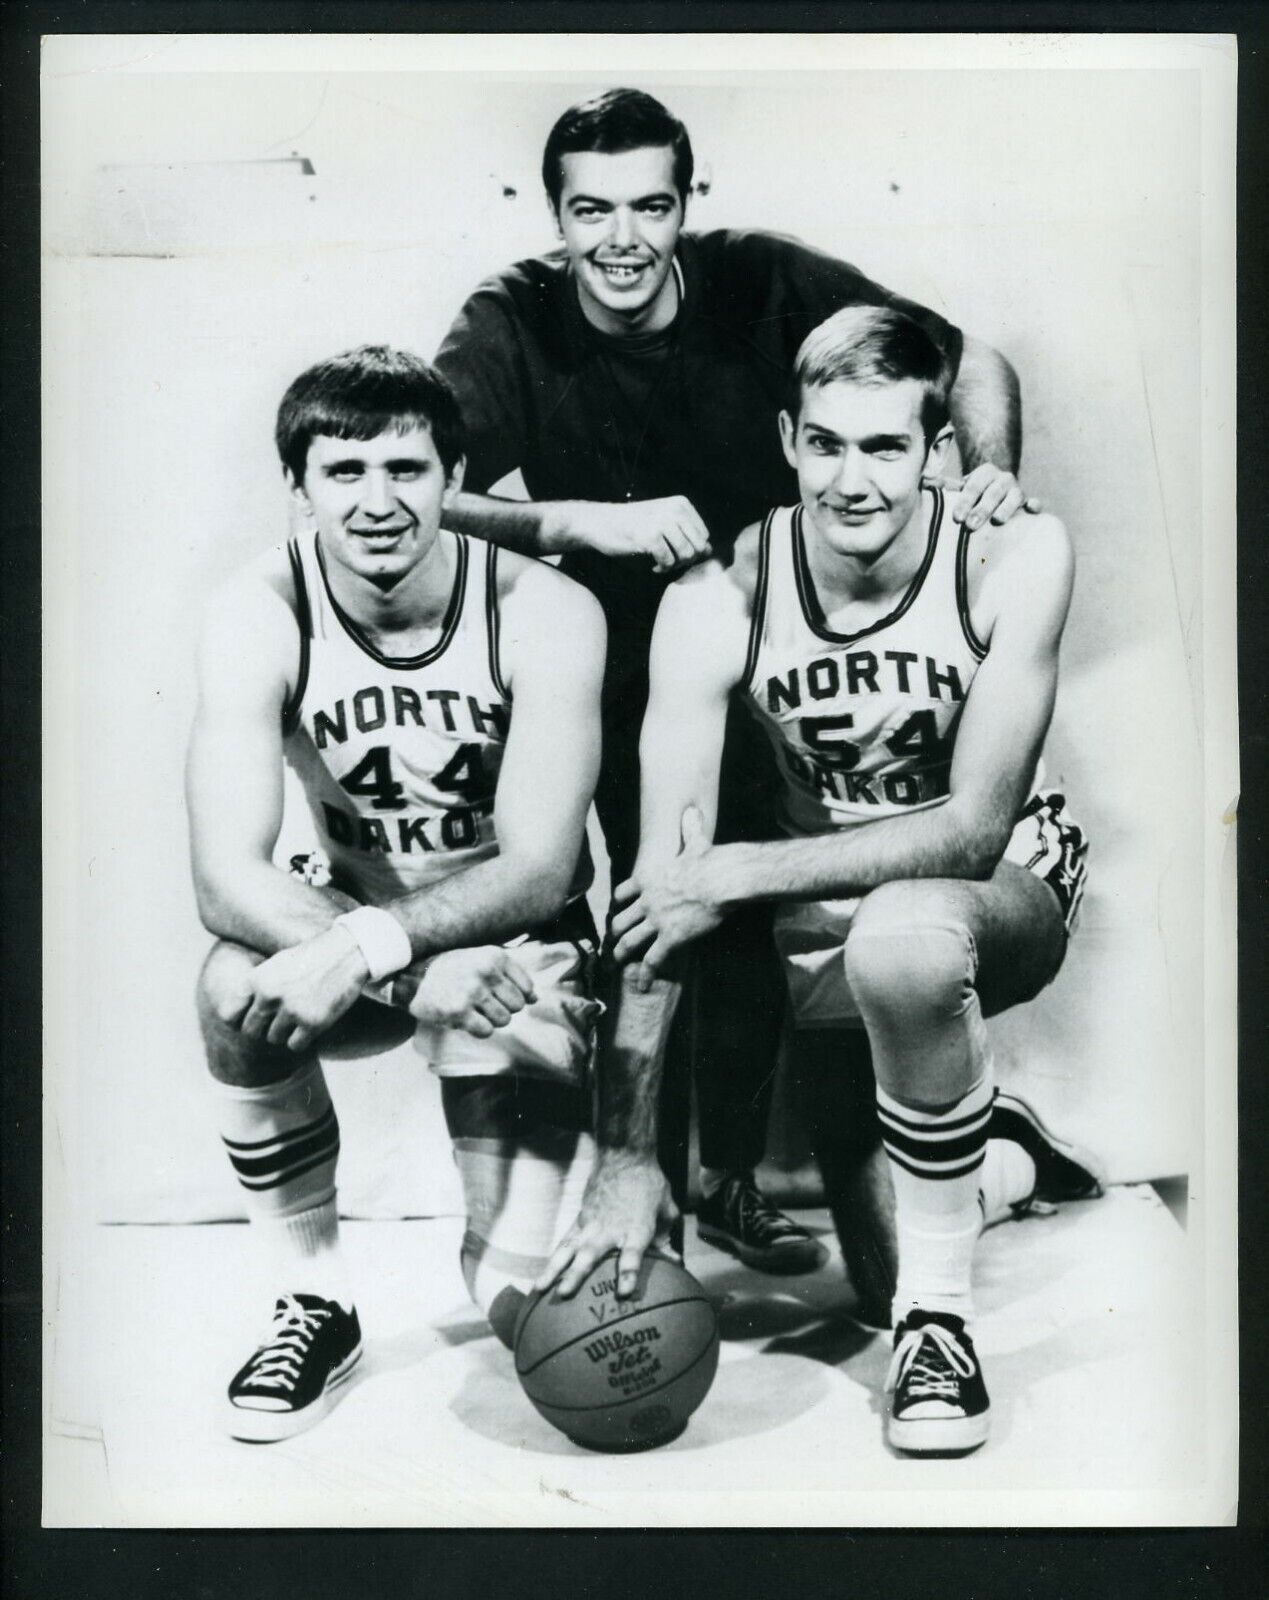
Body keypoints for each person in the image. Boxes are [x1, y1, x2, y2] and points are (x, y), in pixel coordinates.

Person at [434, 86, 1039, 1275]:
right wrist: (573, 523)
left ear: (684, 205)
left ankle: (742, 1178)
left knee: (772, 916)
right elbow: (422, 488)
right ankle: (635, 1179)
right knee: (652, 907)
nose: (620, 239)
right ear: (551, 216)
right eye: (590, 211)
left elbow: (970, 362)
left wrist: (992, 474)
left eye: (648, 206)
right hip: (608, 666)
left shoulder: (760, 278)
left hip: (780, 653)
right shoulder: (509, 317)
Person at [601, 305, 1098, 1452]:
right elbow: (659, 892)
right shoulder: (718, 597)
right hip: (823, 906)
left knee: (908, 938)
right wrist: (630, 1161)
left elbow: (971, 832)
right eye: (826, 443)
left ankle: (939, 1333)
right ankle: (1003, 1155)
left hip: (1000, 878)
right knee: (870, 1273)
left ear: (939, 450)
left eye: (886, 447)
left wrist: (738, 871)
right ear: (787, 440)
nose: (852, 478)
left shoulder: (1018, 552)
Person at [186, 346, 613, 1441]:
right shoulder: (258, 607)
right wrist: (398, 961)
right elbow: (224, 875)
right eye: (344, 472)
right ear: (299, 488)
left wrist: (389, 952)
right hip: (379, 939)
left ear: (451, 475)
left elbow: (540, 867)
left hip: (519, 951)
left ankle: (514, 1252)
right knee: (232, 985)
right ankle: (314, 1298)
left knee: (512, 1304)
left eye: (407, 468)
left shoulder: (545, 606)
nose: (378, 501)